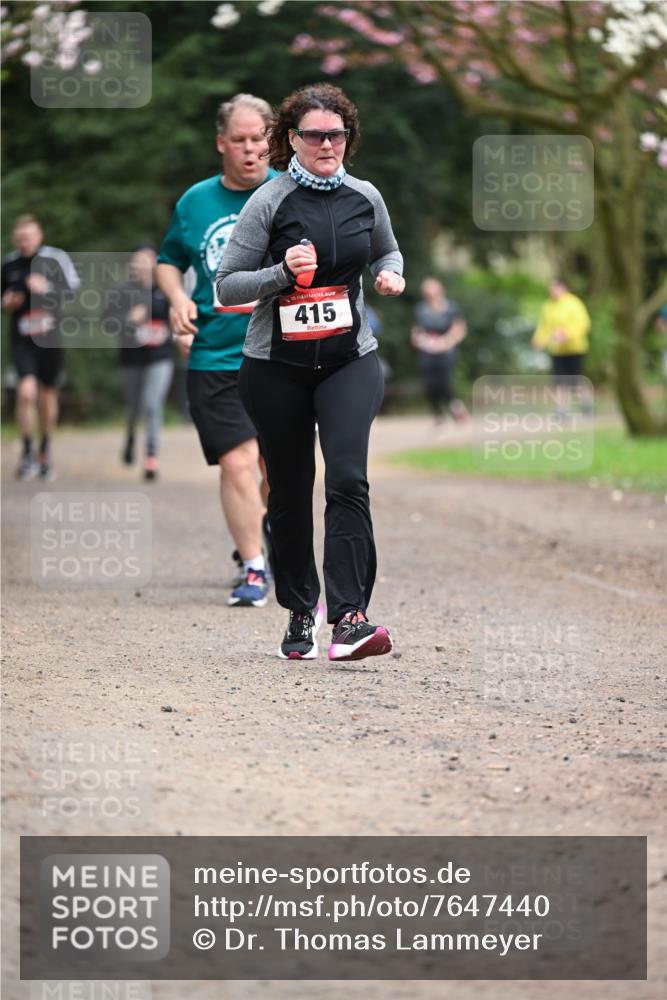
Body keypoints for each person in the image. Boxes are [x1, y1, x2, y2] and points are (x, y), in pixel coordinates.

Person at [217, 82, 405, 661]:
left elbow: (387, 249)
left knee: (348, 479)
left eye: (337, 134)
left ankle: (349, 618)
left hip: (349, 360)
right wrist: (280, 273)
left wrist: (390, 274)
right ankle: (301, 608)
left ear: (348, 137)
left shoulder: (365, 196)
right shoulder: (269, 201)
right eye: (315, 135)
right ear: (292, 139)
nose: (328, 144)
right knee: (291, 491)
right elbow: (227, 286)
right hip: (277, 368)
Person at [156, 93, 278, 607]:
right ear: (221, 144)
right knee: (237, 461)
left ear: (273, 141)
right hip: (215, 355)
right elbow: (168, 259)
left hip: (282, 356)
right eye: (240, 140)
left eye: (259, 139)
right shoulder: (196, 202)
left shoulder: (295, 193)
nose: (250, 150)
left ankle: (265, 535)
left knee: (276, 470)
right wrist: (177, 299)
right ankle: (253, 567)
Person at [1, 214, 79, 480]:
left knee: (47, 394)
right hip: (22, 338)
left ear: (39, 236)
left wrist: (47, 289)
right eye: (21, 238)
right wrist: (6, 302)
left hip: (49, 338)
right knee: (25, 392)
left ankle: (44, 450)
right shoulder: (8, 264)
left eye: (29, 237)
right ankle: (26, 452)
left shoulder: (55, 259)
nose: (25, 242)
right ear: (15, 239)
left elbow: (73, 291)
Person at [106, 244, 174, 481]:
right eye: (138, 260)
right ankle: (131, 436)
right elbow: (107, 323)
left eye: (147, 260)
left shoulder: (167, 290)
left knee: (152, 404)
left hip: (160, 358)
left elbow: (182, 316)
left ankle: (151, 457)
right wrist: (128, 320)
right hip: (131, 358)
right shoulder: (122, 291)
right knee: (134, 408)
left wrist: (173, 330)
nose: (142, 264)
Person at [411, 277, 468, 425]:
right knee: (430, 385)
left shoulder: (451, 308)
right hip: (427, 352)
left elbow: (459, 329)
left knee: (444, 384)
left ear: (440, 289)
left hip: (446, 352)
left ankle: (456, 408)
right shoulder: (420, 309)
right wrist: (420, 340)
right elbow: (417, 330)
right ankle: (438, 416)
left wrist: (446, 342)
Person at [531, 278, 592, 416]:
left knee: (575, 380)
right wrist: (538, 340)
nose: (552, 291)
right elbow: (544, 326)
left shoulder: (574, 303)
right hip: (557, 350)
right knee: (559, 381)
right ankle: (562, 410)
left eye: (554, 288)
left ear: (563, 288)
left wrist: (567, 334)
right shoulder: (548, 305)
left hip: (575, 349)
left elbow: (583, 324)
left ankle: (586, 403)